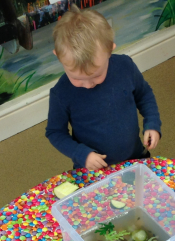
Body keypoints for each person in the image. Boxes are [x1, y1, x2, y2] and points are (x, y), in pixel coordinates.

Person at [45, 5, 161, 170]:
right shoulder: (61, 93)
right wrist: (81, 154)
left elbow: (144, 94)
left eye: (96, 76)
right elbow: (55, 132)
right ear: (58, 56)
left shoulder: (125, 67)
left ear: (109, 50)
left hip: (135, 159)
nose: (88, 84)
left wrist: (152, 123)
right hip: (93, 170)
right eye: (77, 78)